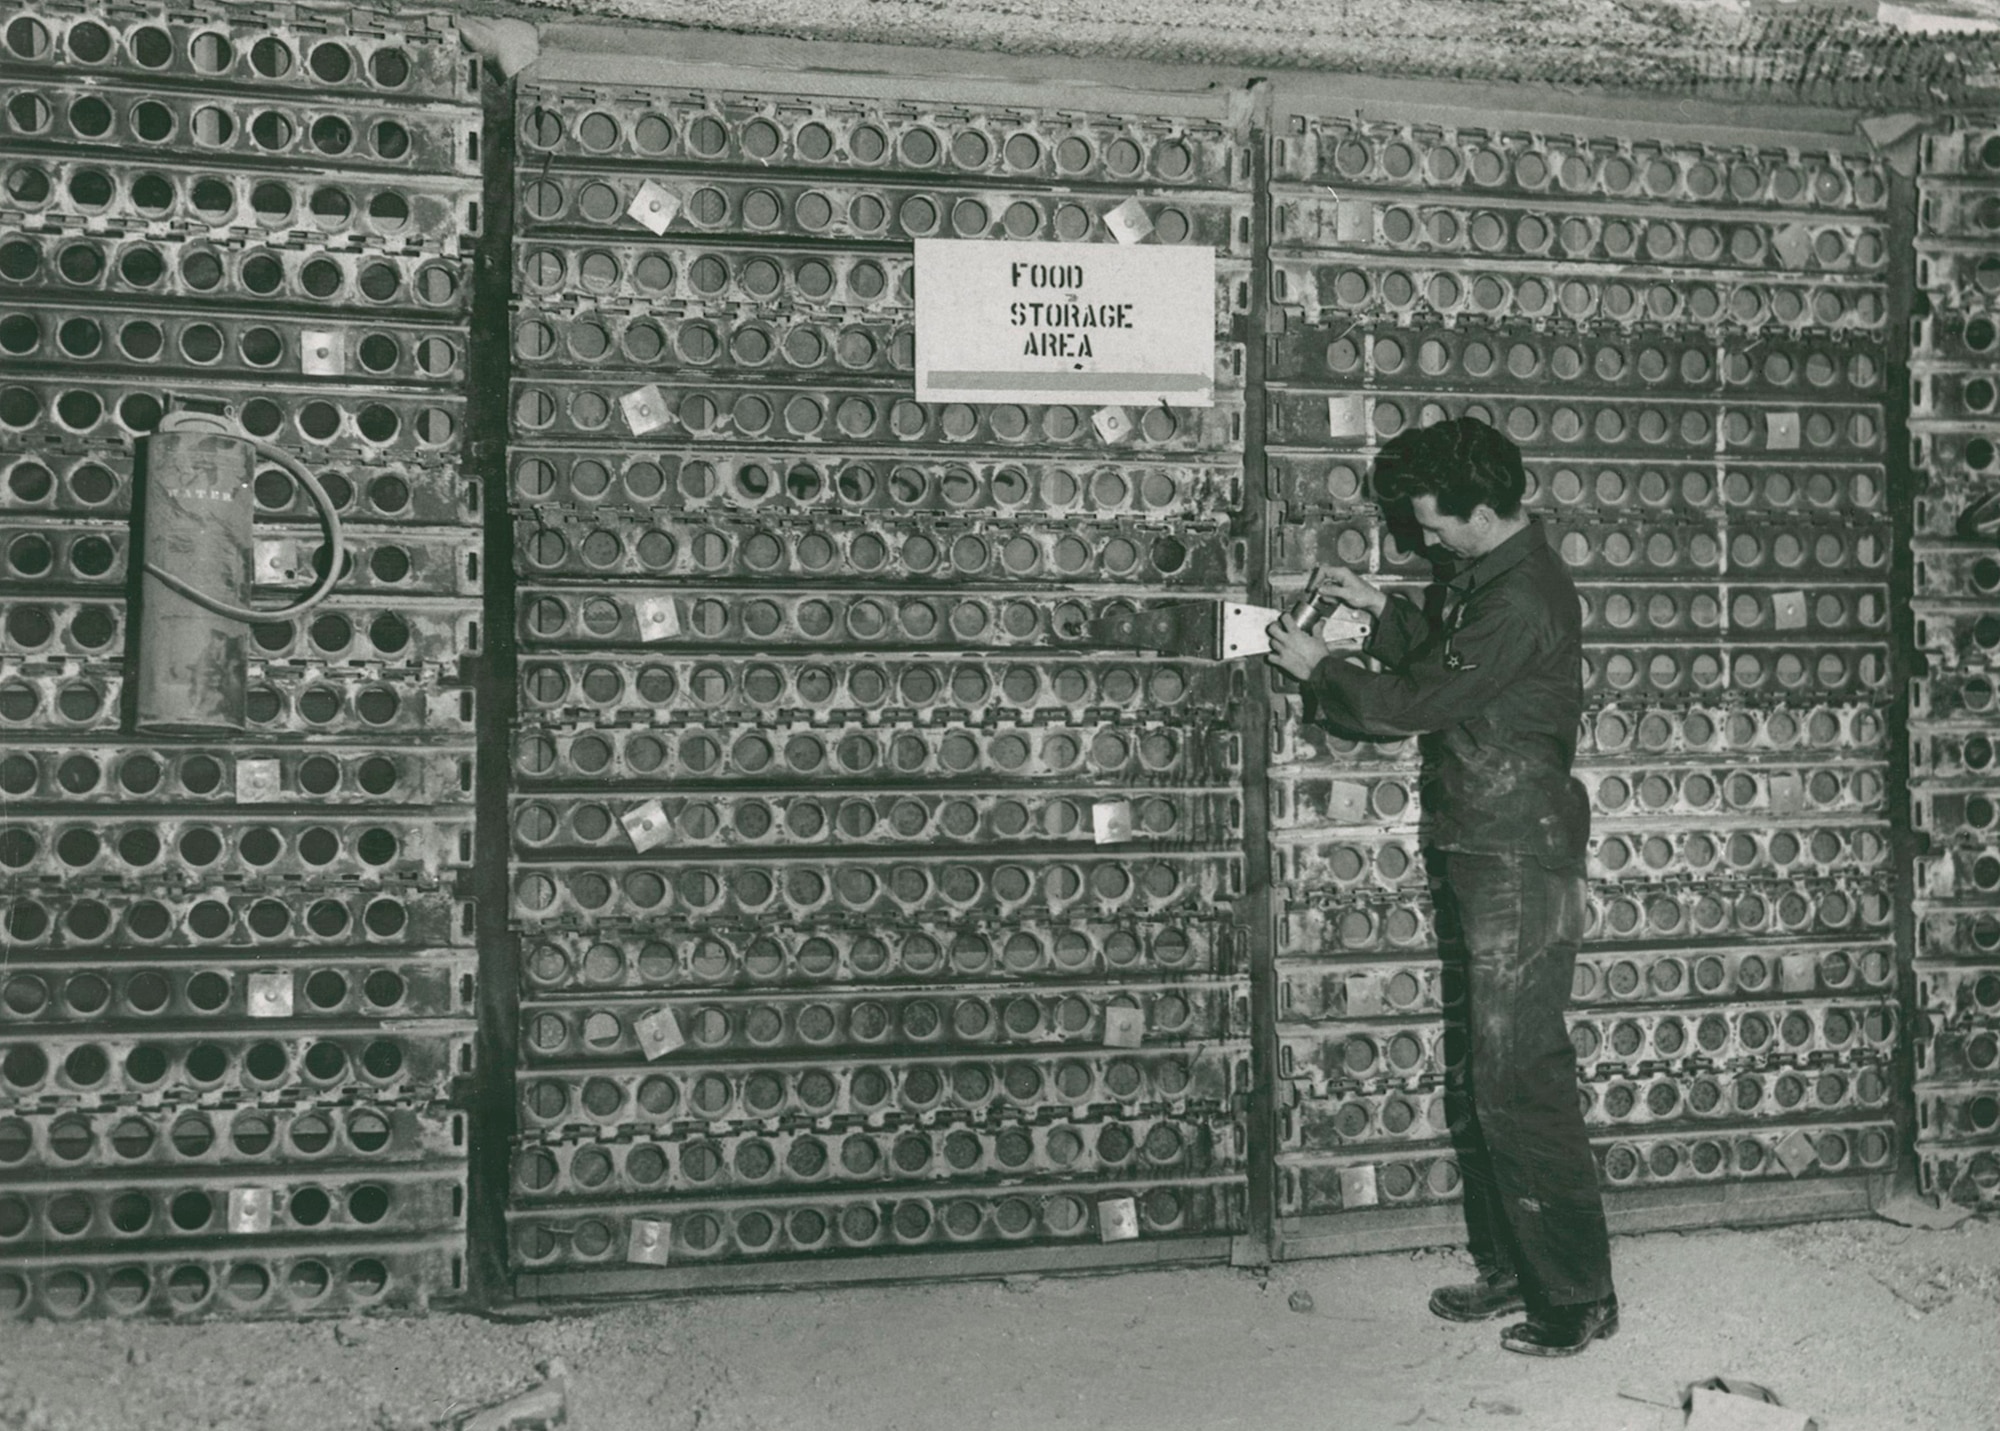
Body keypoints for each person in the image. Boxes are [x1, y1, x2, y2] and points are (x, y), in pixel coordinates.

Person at [1265, 416, 1617, 1357]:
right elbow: (1444, 657)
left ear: (1482, 509)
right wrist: (1380, 610)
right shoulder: (1488, 575)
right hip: (1484, 839)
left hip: (1517, 853)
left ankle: (1576, 1295)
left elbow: (1424, 701)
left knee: (1520, 1074)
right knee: (1490, 1069)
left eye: (1429, 524)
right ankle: (1518, 1267)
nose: (1421, 537)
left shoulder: (1523, 597)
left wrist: (1324, 669)